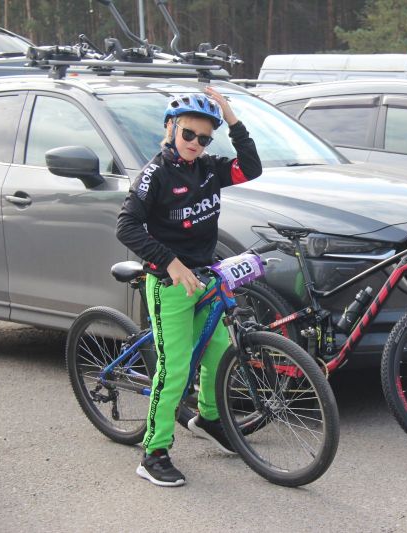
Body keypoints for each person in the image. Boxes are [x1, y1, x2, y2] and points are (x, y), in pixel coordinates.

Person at [116, 87, 262, 487]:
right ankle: (154, 453)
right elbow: (126, 226)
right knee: (175, 369)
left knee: (219, 353)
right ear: (170, 128)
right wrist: (170, 262)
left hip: (205, 277)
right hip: (169, 283)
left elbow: (251, 168)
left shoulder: (209, 169)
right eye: (188, 134)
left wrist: (231, 119)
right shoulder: (155, 174)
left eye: (204, 138)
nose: (196, 143)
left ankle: (210, 419)